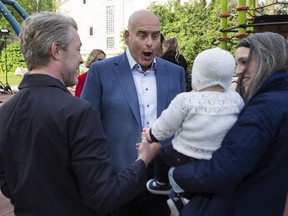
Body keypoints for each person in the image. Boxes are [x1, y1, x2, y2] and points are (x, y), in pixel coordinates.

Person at [0, 12, 161, 216]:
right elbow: (105, 196)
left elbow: (7, 183)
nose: (81, 59)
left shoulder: (5, 113)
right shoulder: (78, 112)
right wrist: (144, 160)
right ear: (56, 50)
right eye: (77, 49)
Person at [166, 32, 288, 216]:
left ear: (267, 59)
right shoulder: (278, 99)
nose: (238, 70)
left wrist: (175, 175)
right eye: (236, 63)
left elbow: (223, 169)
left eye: (245, 62)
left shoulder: (264, 107)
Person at [81, 9, 186, 216]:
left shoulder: (175, 73)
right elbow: (87, 127)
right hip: (118, 178)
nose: (150, 43)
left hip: (162, 179)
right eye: (142, 35)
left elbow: (182, 124)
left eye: (155, 36)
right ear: (127, 37)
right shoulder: (101, 72)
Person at [143, 48, 244, 215]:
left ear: (198, 75)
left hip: (185, 155)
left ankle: (162, 185)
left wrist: (151, 134)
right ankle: (187, 201)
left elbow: (166, 124)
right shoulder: (236, 99)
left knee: (161, 156)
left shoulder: (186, 100)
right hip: (218, 157)